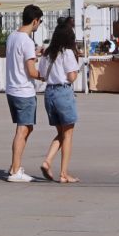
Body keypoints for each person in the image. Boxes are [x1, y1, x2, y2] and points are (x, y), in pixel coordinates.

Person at [5, 4, 43, 183]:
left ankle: (15, 165)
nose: (39, 25)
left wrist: (34, 54)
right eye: (40, 22)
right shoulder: (27, 41)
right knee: (23, 129)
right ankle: (15, 170)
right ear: (35, 21)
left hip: (12, 88)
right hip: (23, 90)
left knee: (26, 127)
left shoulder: (12, 36)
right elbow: (32, 72)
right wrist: (47, 76)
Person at [38, 23, 80, 183]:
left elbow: (42, 75)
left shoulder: (47, 53)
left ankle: (47, 161)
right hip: (63, 92)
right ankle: (63, 173)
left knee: (62, 133)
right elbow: (71, 77)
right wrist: (76, 71)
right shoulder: (67, 52)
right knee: (68, 134)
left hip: (49, 93)